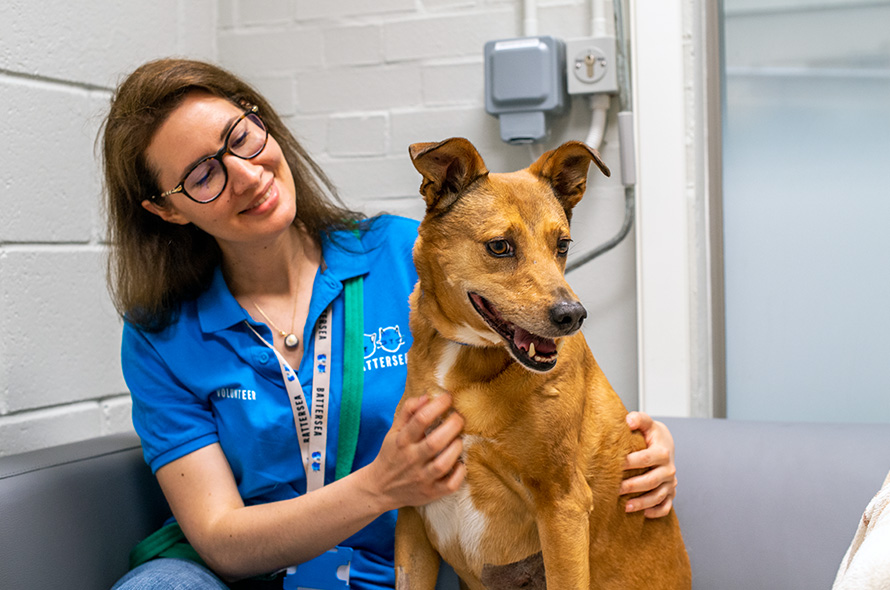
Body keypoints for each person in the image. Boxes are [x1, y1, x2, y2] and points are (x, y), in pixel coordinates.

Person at [102, 58, 679, 590]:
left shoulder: (413, 260)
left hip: (377, 577)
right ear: (166, 209)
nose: (248, 174)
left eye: (241, 137)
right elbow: (221, 539)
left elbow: (556, 381)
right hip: (249, 578)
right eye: (204, 174)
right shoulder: (159, 334)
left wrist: (633, 447)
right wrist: (381, 484)